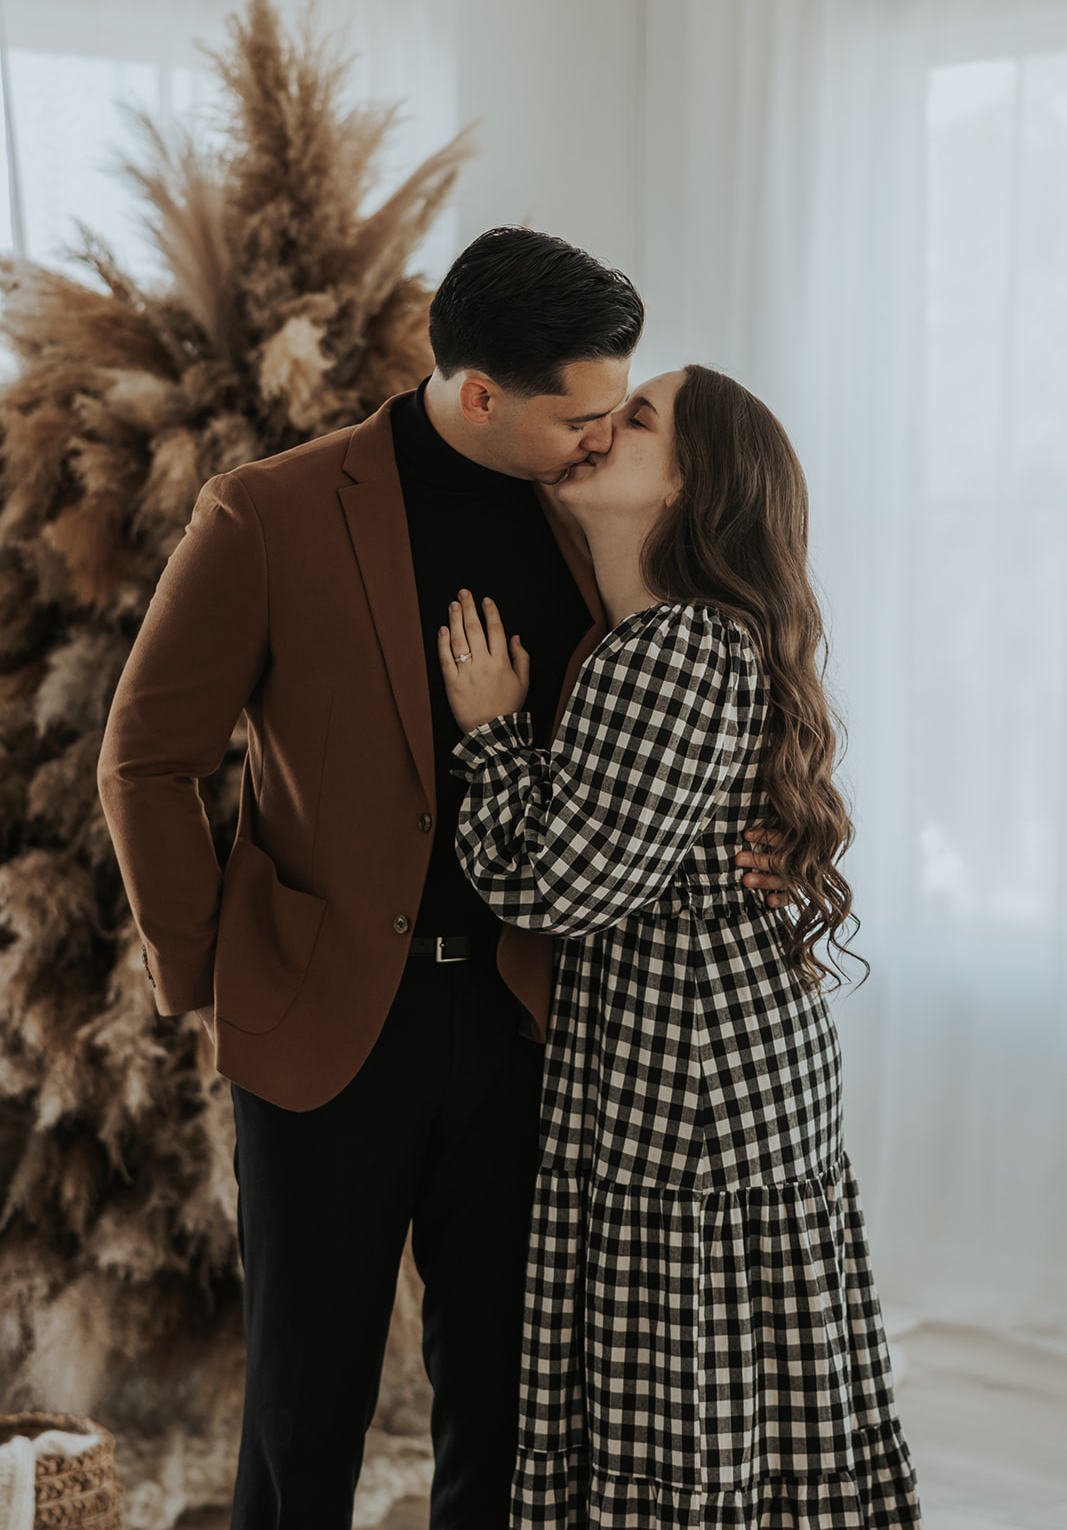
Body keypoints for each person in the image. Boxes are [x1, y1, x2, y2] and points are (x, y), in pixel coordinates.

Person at [96, 229, 786, 1530]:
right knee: (306, 1412)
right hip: (324, 1033)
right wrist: (202, 972)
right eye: (577, 414)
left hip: (535, 1032)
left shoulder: (597, 516)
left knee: (511, 1413)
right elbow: (144, 757)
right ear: (481, 395)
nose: (599, 439)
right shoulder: (269, 511)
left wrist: (778, 839)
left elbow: (725, 661)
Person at [439, 364, 922, 1528]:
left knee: (690, 1408)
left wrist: (494, 736)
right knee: (739, 1396)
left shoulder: (671, 647)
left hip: (687, 1091)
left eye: (637, 417)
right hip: (707, 1068)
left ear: (687, 487)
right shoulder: (656, 641)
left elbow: (552, 884)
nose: (603, 428)